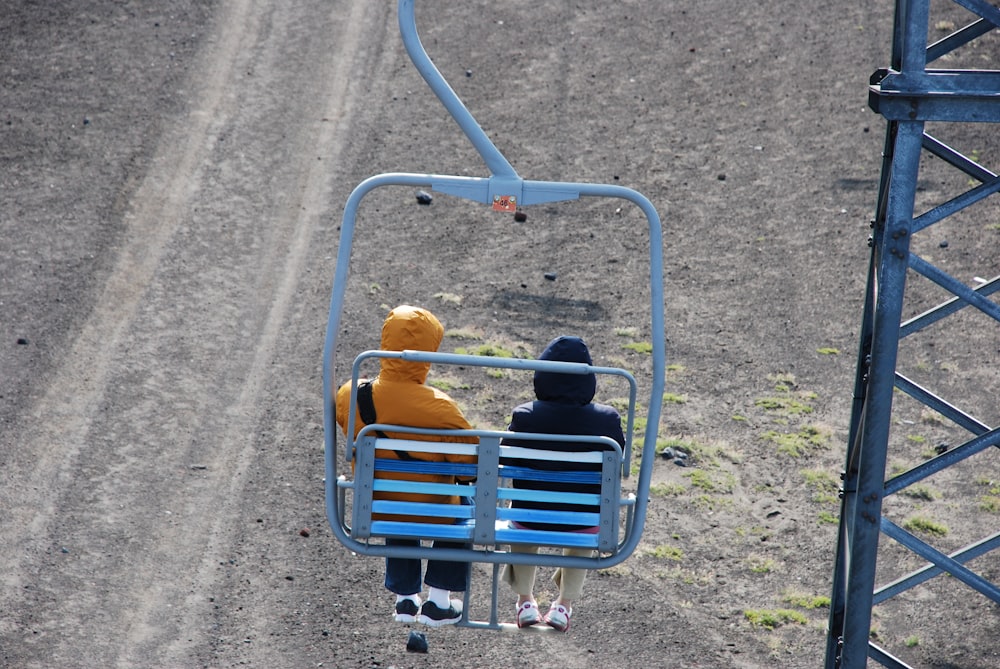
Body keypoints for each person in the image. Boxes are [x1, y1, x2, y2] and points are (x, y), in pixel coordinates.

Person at [335, 305, 477, 627]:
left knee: (396, 502)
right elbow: (470, 467)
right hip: (435, 511)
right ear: (428, 353)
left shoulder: (351, 394)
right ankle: (439, 600)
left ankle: (405, 599)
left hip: (378, 507)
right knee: (463, 505)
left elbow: (346, 428)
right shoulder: (441, 407)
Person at [500, 335, 626, 632]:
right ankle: (564, 606)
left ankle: (525, 601)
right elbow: (619, 465)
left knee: (522, 515)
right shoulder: (607, 420)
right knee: (585, 525)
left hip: (530, 517)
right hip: (582, 521)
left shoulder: (525, 415)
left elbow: (507, 461)